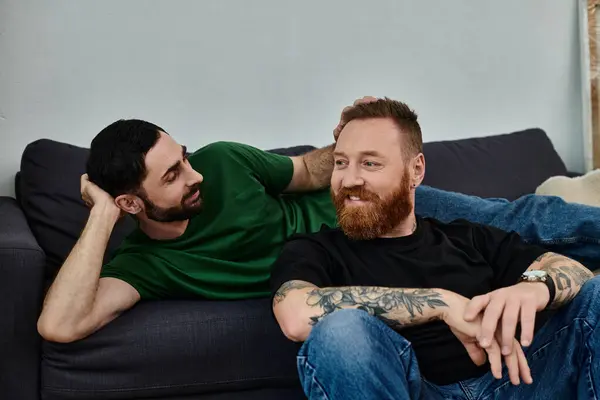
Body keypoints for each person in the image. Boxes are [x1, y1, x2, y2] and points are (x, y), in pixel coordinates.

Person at [37, 96, 599, 345]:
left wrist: (352, 145)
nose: (193, 175)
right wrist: (103, 214)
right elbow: (59, 326)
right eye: (172, 176)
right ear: (132, 204)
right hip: (333, 256)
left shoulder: (224, 160)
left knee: (525, 219)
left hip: (372, 208)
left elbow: (309, 171)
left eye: (182, 157)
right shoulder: (145, 265)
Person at [270, 98, 599, 399]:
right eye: (341, 163)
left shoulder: (466, 236)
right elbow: (297, 315)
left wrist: (536, 286)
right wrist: (442, 304)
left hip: (516, 385)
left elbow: (572, 270)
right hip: (416, 390)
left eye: (370, 164)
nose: (350, 179)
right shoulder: (314, 250)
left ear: (416, 171)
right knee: (341, 332)